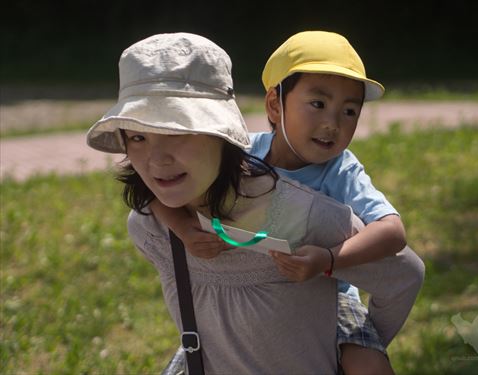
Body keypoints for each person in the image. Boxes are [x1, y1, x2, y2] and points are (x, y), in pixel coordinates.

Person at [87, 32, 425, 374]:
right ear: (275, 105)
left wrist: (329, 260)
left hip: (332, 291)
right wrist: (184, 229)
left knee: (368, 364)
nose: (331, 124)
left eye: (349, 111)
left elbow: (394, 239)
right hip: (220, 334)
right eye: (318, 104)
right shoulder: (244, 156)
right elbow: (152, 198)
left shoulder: (340, 174)